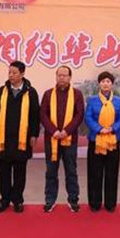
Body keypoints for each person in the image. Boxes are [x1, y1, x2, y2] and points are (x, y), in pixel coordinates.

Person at [0, 61, 40, 213]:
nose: (11, 75)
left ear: (22, 74)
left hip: (22, 139)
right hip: (4, 139)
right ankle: (4, 200)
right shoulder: (2, 91)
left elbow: (35, 116)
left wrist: (34, 134)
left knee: (20, 172)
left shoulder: (31, 92)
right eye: (9, 72)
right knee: (4, 172)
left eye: (14, 73)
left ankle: (17, 200)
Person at [40, 65, 85, 213]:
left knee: (71, 171)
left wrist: (66, 131)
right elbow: (43, 115)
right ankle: (50, 200)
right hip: (51, 139)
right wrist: (54, 131)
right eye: (59, 75)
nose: (61, 78)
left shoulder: (77, 94)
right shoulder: (48, 94)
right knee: (51, 171)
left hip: (69, 139)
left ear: (70, 77)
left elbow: (79, 115)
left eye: (65, 75)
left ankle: (73, 200)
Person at [85, 71, 120, 212]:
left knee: (111, 173)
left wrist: (113, 128)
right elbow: (88, 117)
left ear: (112, 84)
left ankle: (110, 203)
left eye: (108, 81)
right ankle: (95, 203)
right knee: (94, 173)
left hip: (113, 140)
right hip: (96, 140)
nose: (105, 84)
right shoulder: (92, 100)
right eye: (103, 81)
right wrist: (99, 129)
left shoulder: (118, 101)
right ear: (99, 84)